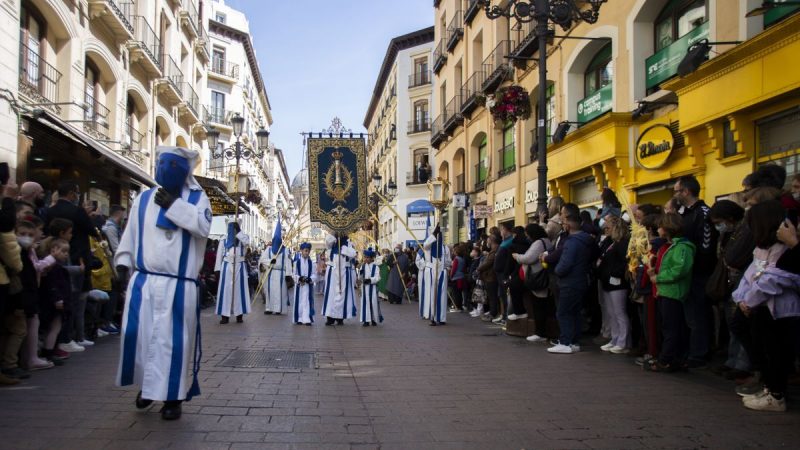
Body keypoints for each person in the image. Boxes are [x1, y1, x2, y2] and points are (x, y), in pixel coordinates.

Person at [114, 146, 212, 421]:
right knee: (141, 337)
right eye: (162, 163)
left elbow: (202, 227)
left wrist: (174, 206)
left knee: (174, 342)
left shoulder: (197, 199)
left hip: (179, 285)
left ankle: (173, 396)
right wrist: (123, 262)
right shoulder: (143, 199)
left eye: (172, 165)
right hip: (144, 281)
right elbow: (130, 233)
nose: (165, 168)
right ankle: (148, 387)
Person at [732, 200, 799, 412]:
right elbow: (751, 274)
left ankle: (776, 394)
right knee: (762, 346)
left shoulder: (785, 249)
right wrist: (741, 298)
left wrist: (749, 300)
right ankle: (770, 388)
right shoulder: (761, 247)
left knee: (775, 352)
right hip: (758, 306)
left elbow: (775, 278)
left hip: (779, 310)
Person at [673, 175, 717, 368]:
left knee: (699, 314)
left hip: (699, 273)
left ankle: (699, 353)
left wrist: (694, 267)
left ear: (686, 192)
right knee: (689, 315)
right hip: (686, 273)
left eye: (676, 190)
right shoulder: (685, 213)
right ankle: (689, 350)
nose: (675, 194)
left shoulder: (703, 213)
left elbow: (706, 246)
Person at [645, 213, 695, 373]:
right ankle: (671, 357)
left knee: (671, 328)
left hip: (674, 292)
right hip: (664, 292)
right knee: (667, 326)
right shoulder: (670, 246)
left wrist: (658, 277)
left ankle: (666, 359)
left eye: (660, 226)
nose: (657, 229)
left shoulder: (682, 248)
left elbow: (679, 270)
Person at [548, 211, 594, 354]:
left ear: (568, 224)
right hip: (581, 280)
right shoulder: (587, 240)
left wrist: (557, 271)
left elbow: (565, 264)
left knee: (563, 312)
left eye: (563, 223)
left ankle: (565, 341)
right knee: (574, 313)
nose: (563, 226)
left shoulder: (572, 242)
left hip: (570, 281)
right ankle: (574, 341)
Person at [597, 216, 631, 354]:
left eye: (608, 227)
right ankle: (615, 338)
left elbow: (624, 263)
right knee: (612, 313)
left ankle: (623, 342)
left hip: (617, 283)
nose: (606, 229)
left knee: (619, 313)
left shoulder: (622, 244)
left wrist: (615, 274)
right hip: (608, 282)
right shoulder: (612, 243)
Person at [513, 223, 552, 342]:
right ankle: (540, 332)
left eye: (527, 235)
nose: (527, 237)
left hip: (537, 277)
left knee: (538, 305)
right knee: (540, 305)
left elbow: (528, 258)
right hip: (542, 276)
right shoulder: (546, 241)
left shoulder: (538, 243)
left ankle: (540, 333)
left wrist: (517, 257)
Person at [37, 238, 70, 368]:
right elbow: (53, 285)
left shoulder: (56, 267)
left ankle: (50, 349)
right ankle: (48, 351)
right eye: (63, 251)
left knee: (55, 328)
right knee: (54, 328)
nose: (66, 254)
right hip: (55, 302)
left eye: (67, 251)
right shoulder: (53, 268)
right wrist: (58, 299)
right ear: (53, 250)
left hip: (55, 300)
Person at [214, 221, 251, 324]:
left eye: (235, 228)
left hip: (239, 265)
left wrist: (239, 232)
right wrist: (217, 269)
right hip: (227, 265)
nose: (233, 230)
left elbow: (247, 243)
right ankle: (224, 315)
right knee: (226, 291)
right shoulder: (224, 239)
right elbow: (219, 254)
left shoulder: (243, 237)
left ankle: (239, 314)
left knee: (239, 291)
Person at [322, 232, 357, 326]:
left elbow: (353, 254)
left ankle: (340, 317)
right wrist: (334, 235)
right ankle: (330, 316)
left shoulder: (349, 242)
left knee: (343, 293)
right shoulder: (332, 239)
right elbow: (327, 243)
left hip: (344, 271)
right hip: (333, 271)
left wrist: (344, 249)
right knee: (331, 294)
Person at [260, 219, 291, 315]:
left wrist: (288, 275)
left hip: (280, 273)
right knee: (269, 291)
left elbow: (288, 262)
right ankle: (269, 308)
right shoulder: (269, 249)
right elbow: (262, 259)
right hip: (270, 273)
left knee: (279, 292)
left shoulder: (285, 250)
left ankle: (278, 309)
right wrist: (270, 261)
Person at [424, 225, 449, 326]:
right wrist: (434, 234)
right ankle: (433, 317)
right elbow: (425, 244)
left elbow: (448, 261)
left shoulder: (445, 248)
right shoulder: (429, 247)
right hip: (433, 271)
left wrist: (445, 266)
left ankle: (442, 317)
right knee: (433, 294)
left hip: (442, 271)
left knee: (442, 295)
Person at [292, 242, 316, 325]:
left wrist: (310, 279)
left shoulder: (312, 263)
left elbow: (314, 274)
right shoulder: (296, 263)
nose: (307, 253)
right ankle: (299, 318)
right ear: (301, 251)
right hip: (300, 285)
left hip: (308, 286)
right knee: (300, 301)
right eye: (305, 251)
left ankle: (307, 319)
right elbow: (294, 274)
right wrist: (299, 278)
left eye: (308, 251)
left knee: (307, 301)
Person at [358, 248, 382, 326]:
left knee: (373, 303)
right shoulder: (363, 266)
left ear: (372, 258)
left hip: (373, 288)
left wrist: (370, 280)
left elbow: (378, 277)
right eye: (365, 257)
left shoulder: (376, 267)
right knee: (365, 304)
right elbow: (360, 277)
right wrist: (361, 277)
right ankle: (366, 320)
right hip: (365, 288)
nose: (366, 259)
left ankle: (374, 319)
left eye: (368, 257)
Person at [478, 235, 499, 321]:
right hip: (489, 276)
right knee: (491, 296)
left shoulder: (494, 251)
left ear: (492, 241)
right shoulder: (493, 251)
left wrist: (479, 268)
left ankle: (493, 313)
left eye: (488, 241)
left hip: (491, 277)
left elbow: (488, 262)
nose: (487, 243)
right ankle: (492, 312)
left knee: (492, 297)